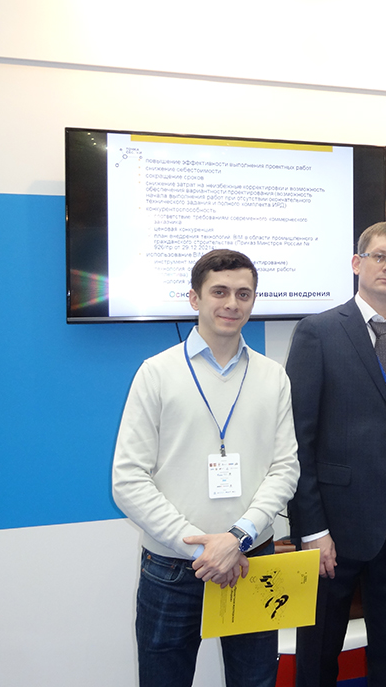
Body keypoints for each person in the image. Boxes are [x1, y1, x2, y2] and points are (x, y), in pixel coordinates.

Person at [112, 249, 300, 687]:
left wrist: (237, 538)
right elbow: (128, 480)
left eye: (243, 294)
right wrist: (203, 550)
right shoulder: (156, 373)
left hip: (251, 557)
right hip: (173, 567)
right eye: (219, 291)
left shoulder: (273, 376)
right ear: (194, 298)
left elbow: (285, 468)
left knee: (255, 681)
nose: (232, 303)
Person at [287, 221, 386, 687]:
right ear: (357, 263)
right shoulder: (317, 332)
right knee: (319, 650)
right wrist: (311, 528)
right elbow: (298, 437)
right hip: (333, 524)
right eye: (379, 256)